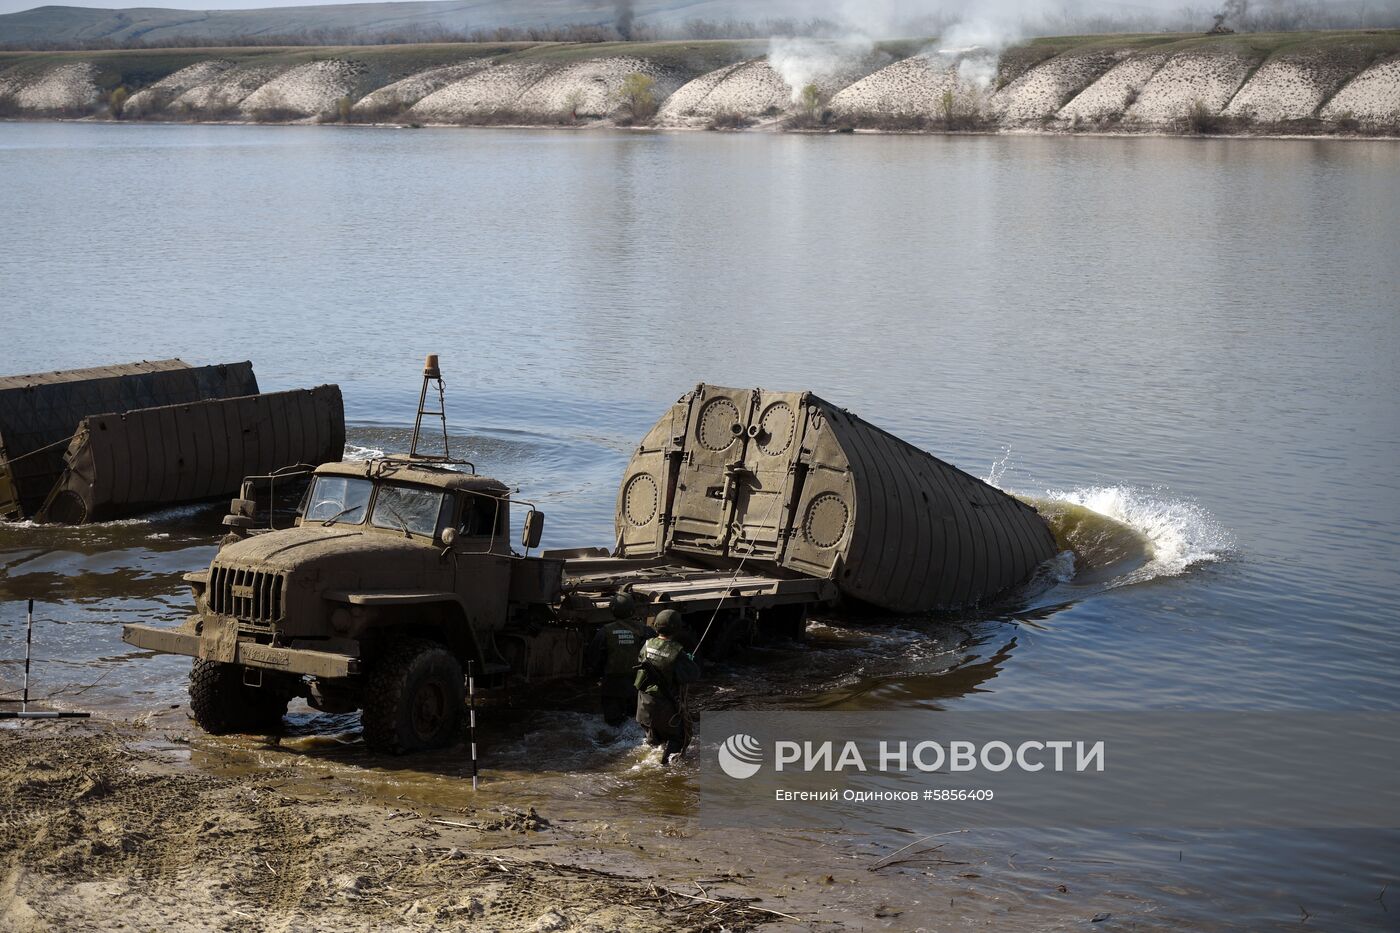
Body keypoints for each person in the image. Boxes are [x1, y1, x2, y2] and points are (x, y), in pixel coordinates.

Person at [634, 609, 700, 763]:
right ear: (677, 629)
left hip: (643, 707)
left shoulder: (647, 644)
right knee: (680, 738)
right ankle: (664, 768)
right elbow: (693, 675)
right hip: (664, 708)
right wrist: (688, 661)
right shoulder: (677, 652)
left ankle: (651, 761)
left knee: (653, 740)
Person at [586, 592, 648, 727]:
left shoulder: (604, 631)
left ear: (612, 610)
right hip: (637, 685)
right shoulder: (644, 630)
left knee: (613, 726)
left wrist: (597, 677)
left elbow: (593, 658)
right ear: (632, 610)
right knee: (635, 722)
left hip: (612, 686)